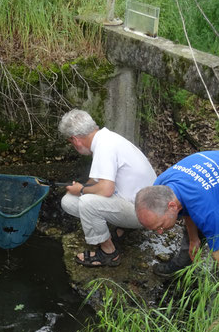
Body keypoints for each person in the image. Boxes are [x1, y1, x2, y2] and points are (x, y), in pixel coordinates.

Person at [135, 150, 219, 316]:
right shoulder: (161, 186)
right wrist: (194, 239)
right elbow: (185, 207)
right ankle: (182, 266)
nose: (159, 232)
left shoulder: (206, 210)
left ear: (171, 206)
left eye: (160, 226)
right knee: (193, 232)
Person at [59, 109, 157, 267]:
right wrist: (80, 187)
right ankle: (120, 228)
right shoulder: (106, 138)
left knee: (87, 202)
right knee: (68, 201)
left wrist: (81, 190)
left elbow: (105, 190)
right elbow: (98, 180)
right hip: (144, 203)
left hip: (144, 212)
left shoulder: (104, 146)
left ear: (75, 140)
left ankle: (108, 253)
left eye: (71, 143)